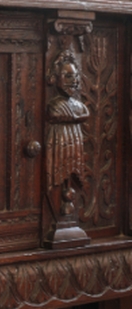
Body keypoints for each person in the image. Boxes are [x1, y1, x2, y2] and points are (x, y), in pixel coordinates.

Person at [46, 50, 89, 215]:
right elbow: (54, 113)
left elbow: (85, 113)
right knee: (58, 176)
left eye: (75, 76)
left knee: (73, 175)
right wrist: (74, 117)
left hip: (74, 142)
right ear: (55, 78)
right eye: (67, 76)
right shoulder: (56, 105)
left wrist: (72, 116)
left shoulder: (77, 105)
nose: (73, 81)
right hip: (58, 143)